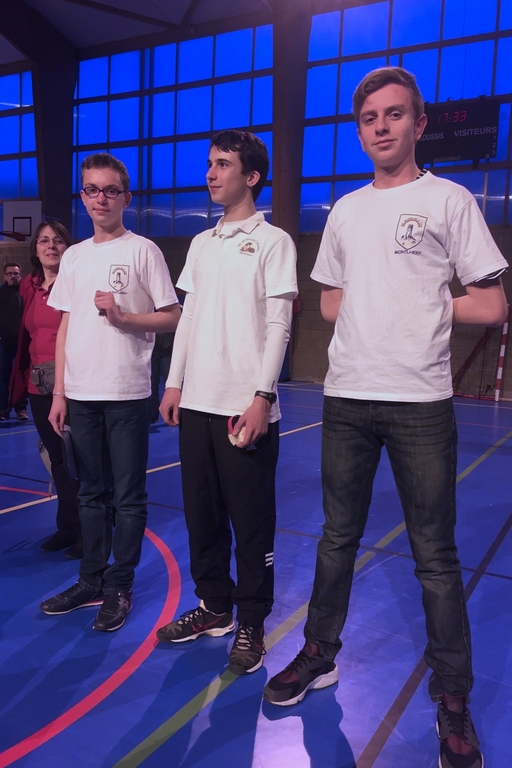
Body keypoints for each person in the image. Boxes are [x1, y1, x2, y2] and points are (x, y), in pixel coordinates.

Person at [263, 67, 508, 768]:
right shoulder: (345, 210)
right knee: (336, 539)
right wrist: (378, 304)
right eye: (370, 117)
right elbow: (331, 301)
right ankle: (320, 651)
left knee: (435, 557)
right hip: (347, 397)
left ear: (419, 123)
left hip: (420, 404)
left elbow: (492, 304)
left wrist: (417, 304)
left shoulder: (449, 200)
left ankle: (452, 698)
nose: (381, 126)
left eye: (395, 114)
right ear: (360, 129)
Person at [156, 130, 298, 675]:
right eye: (209, 163)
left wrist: (262, 396)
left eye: (222, 164)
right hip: (197, 404)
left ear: (251, 176)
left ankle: (252, 623)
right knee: (202, 516)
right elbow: (189, 316)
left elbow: (279, 325)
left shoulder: (274, 241)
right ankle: (214, 606)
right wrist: (174, 383)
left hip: (245, 406)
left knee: (251, 523)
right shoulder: (201, 244)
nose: (211, 173)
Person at [39, 152, 181, 632]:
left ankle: (120, 585)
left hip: (126, 392)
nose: (101, 198)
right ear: (82, 196)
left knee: (128, 496)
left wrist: (124, 317)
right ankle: (91, 580)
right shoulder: (74, 256)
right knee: (90, 494)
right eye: (92, 189)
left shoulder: (143, 251)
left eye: (110, 190)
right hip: (80, 394)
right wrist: (59, 392)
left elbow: (172, 316)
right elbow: (65, 327)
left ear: (126, 197)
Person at [10, 221, 82, 558]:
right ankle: (67, 527)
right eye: (43, 240)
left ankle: (88, 531)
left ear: (68, 247)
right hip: (38, 385)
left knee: (78, 461)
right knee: (56, 459)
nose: (50, 246)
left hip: (71, 384)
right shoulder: (29, 285)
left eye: (57, 241)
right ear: (35, 249)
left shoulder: (77, 283)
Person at [0, 262, 28, 420]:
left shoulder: (25, 293)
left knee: (21, 375)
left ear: (20, 275)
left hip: (22, 340)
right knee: (3, 374)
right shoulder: (1, 293)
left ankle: (21, 409)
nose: (13, 276)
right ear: (5, 276)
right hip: (4, 341)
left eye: (16, 274)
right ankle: (2, 409)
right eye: (10, 274)